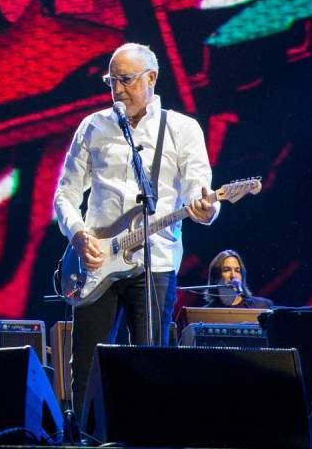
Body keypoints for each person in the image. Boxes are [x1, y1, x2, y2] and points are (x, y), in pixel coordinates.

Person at [54, 42, 219, 419]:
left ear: (151, 78)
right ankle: (84, 438)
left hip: (155, 264)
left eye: (126, 80)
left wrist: (207, 206)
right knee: (86, 370)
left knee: (150, 367)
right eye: (111, 81)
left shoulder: (181, 129)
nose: (118, 90)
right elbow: (65, 192)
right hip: (96, 265)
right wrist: (79, 235)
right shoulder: (93, 126)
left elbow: (199, 188)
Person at [204, 249, 274, 309]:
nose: (233, 275)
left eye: (237, 270)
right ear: (216, 276)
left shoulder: (263, 306)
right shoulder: (205, 312)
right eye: (227, 270)